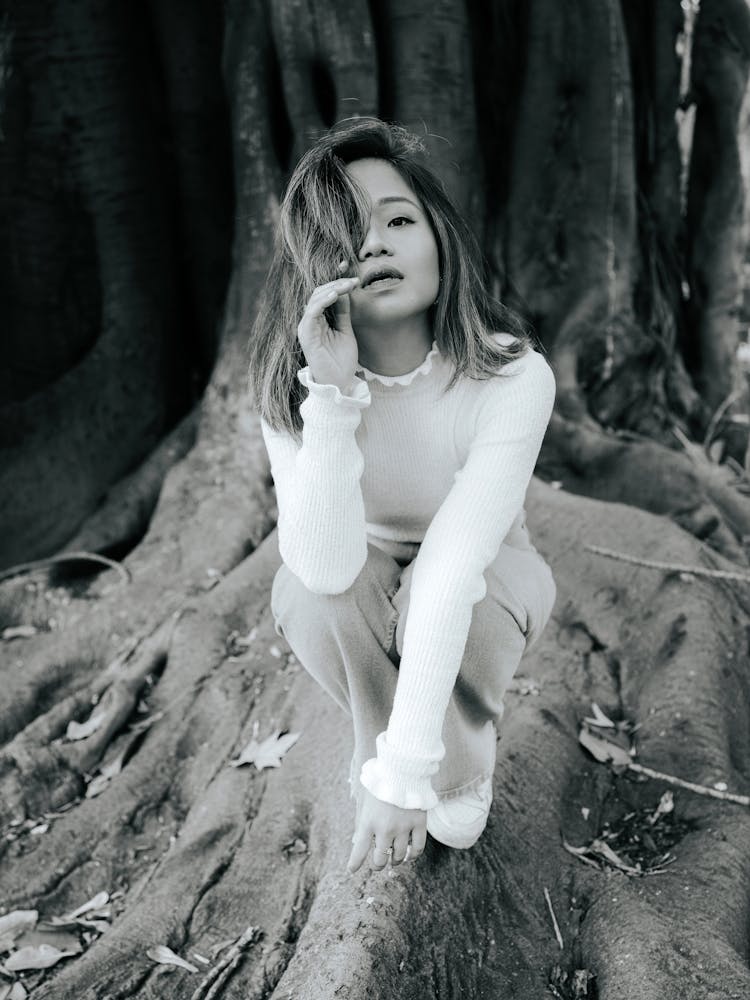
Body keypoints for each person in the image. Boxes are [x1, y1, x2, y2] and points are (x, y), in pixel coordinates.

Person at [248, 118, 556, 875]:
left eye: (398, 220)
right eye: (349, 230)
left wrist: (406, 771)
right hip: (365, 565)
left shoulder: (513, 377)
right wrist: (332, 393)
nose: (377, 242)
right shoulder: (294, 392)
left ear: (440, 237)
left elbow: (453, 565)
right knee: (307, 594)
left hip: (491, 576)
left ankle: (449, 762)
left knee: (447, 593)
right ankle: (413, 753)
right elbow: (325, 569)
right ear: (315, 264)